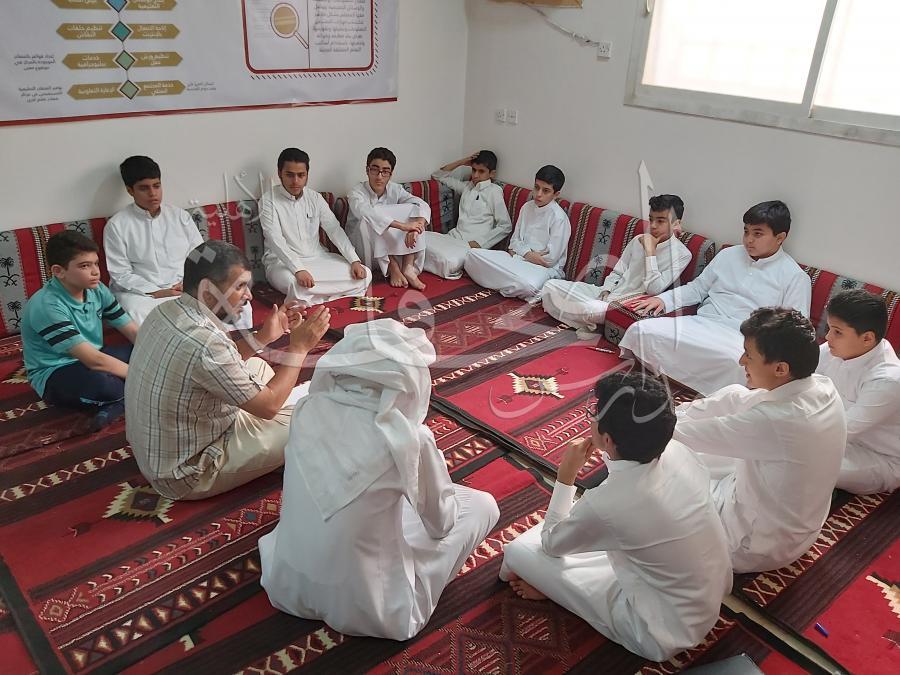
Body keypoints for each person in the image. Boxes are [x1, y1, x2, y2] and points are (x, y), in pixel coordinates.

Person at [259, 319, 500, 641]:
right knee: (483, 505)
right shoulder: (407, 439)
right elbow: (441, 524)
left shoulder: (305, 409)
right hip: (374, 609)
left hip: (286, 585)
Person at [500, 372, 732, 661]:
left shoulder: (609, 502)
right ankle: (556, 583)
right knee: (603, 534)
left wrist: (565, 477)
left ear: (608, 439)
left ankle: (551, 587)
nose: (592, 418)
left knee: (518, 551)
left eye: (595, 414)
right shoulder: (678, 451)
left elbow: (551, 544)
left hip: (657, 631)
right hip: (705, 599)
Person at [126, 239, 330, 500]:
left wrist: (264, 337)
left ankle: (273, 420)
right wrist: (299, 348)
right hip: (186, 473)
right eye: (240, 286)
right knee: (310, 418)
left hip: (157, 450)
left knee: (256, 364)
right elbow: (268, 407)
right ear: (208, 290)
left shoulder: (165, 310)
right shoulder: (206, 342)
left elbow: (217, 360)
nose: (249, 296)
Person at [673, 307, 846, 573]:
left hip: (752, 544)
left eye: (749, 355)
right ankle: (671, 417)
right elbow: (740, 410)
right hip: (799, 528)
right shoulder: (822, 384)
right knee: (734, 394)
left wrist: (639, 425)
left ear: (780, 368)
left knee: (664, 469)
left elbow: (683, 436)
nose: (741, 360)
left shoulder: (776, 421)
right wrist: (679, 417)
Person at [620, 200, 811, 396]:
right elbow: (697, 289)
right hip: (702, 323)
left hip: (742, 339)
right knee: (641, 330)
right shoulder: (728, 255)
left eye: (757, 234)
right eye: (746, 232)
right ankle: (675, 386)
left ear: (780, 237)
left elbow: (793, 330)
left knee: (739, 365)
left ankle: (704, 396)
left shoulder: (795, 277)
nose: (749, 240)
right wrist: (664, 300)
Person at [104, 155, 253, 329]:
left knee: (240, 304)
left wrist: (189, 282)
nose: (153, 193)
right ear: (130, 190)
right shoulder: (117, 225)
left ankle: (232, 344)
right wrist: (158, 291)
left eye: (156, 186)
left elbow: (201, 254)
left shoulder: (180, 216)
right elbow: (121, 274)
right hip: (144, 294)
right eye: (144, 188)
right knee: (138, 311)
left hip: (185, 286)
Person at [21, 231, 137, 430]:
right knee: (104, 385)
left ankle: (117, 404)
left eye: (95, 263)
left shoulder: (97, 289)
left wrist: (158, 358)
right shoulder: (46, 305)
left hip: (94, 355)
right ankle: (119, 399)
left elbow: (132, 331)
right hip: (56, 370)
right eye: (84, 266)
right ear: (59, 271)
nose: (95, 272)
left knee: (141, 353)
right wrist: (144, 376)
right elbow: (94, 361)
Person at [541, 194, 691, 336]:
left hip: (624, 307)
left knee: (590, 307)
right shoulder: (638, 239)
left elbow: (654, 289)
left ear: (676, 223)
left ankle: (590, 320)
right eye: (651, 219)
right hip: (607, 295)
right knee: (550, 287)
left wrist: (650, 253)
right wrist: (606, 290)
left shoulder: (682, 254)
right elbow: (618, 271)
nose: (653, 226)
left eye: (660, 221)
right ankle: (591, 324)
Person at [260, 148, 371, 305]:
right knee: (294, 283)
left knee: (365, 274)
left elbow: (334, 230)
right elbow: (275, 240)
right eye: (290, 175)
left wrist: (354, 260)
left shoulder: (315, 198)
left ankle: (313, 299)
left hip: (319, 258)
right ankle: (332, 295)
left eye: (301, 175)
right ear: (280, 173)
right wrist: (298, 269)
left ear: (307, 174)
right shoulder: (268, 201)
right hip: (281, 262)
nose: (295, 181)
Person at [816, 289, 900, 494]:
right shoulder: (833, 349)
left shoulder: (887, 380)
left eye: (837, 332)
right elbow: (799, 383)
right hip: (830, 434)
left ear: (867, 338)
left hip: (877, 456)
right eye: (829, 328)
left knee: (801, 462)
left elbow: (841, 431)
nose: (827, 337)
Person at [464, 165, 569, 301]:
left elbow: (549, 259)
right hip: (517, 260)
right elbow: (513, 242)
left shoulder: (559, 218)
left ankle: (503, 283)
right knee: (472, 255)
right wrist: (528, 254)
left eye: (546, 191)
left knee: (527, 284)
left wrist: (521, 252)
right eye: (536, 187)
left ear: (556, 194)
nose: (538, 194)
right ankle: (508, 285)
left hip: (542, 270)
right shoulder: (526, 207)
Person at [346, 147, 431, 290]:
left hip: (390, 246)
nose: (379, 176)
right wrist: (403, 226)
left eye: (385, 171)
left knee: (412, 208)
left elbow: (420, 204)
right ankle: (393, 267)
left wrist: (415, 228)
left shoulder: (395, 189)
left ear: (391, 174)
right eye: (375, 170)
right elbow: (365, 212)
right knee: (371, 216)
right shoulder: (356, 192)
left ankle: (408, 267)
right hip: (363, 247)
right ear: (367, 170)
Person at [424, 150, 512, 279]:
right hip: (452, 237)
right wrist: (462, 162)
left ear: (492, 173)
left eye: (481, 171)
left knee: (448, 262)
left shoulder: (494, 191)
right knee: (421, 238)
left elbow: (505, 225)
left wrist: (480, 243)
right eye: (474, 170)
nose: (475, 175)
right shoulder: (467, 187)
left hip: (471, 246)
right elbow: (437, 176)